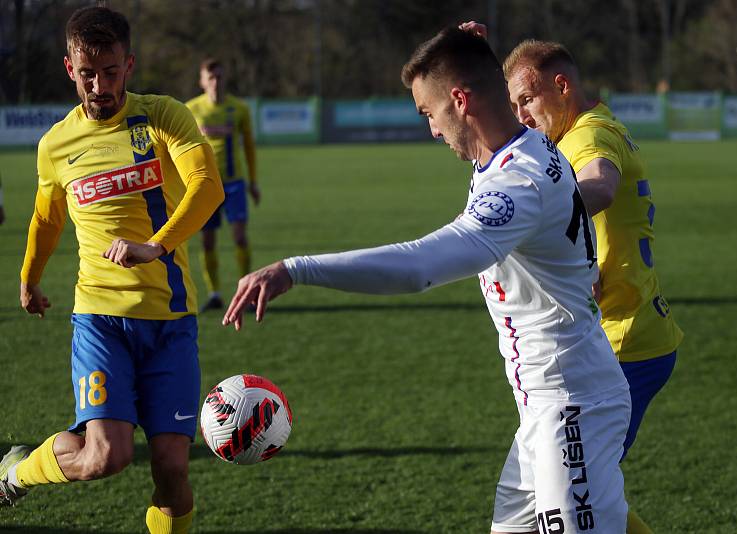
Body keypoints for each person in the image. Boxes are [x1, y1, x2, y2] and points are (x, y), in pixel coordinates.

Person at [223, 27, 631, 534]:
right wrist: (458, 44)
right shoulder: (509, 151)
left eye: (429, 113)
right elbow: (473, 83)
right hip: (543, 411)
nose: (432, 129)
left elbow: (418, 267)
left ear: (460, 101)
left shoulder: (517, 183)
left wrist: (297, 268)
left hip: (572, 406)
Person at [0, 7, 223, 534]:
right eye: (87, 73)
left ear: (130, 64)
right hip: (100, 318)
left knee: (172, 471)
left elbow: (207, 186)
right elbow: (46, 217)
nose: (99, 85)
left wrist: (155, 246)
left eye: (111, 71)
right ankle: (14, 475)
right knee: (106, 456)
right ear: (69, 67)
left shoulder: (164, 115)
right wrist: (28, 280)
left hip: (171, 320)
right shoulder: (56, 143)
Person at [460, 21, 684, 534]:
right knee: (573, 487)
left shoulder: (588, 134)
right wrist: (477, 60)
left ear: (561, 86)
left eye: (527, 100)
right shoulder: (583, 126)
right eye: (513, 103)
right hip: (621, 333)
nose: (521, 115)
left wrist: (532, 216)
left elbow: (599, 187)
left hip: (621, 342)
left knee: (569, 492)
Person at [186, 58, 260, 312]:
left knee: (239, 237)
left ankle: (247, 291)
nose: (216, 82)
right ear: (202, 81)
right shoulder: (191, 109)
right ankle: (215, 293)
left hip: (235, 184)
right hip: (206, 185)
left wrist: (254, 182)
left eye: (220, 77)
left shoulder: (239, 109)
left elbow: (249, 147)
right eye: (211, 77)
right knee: (207, 241)